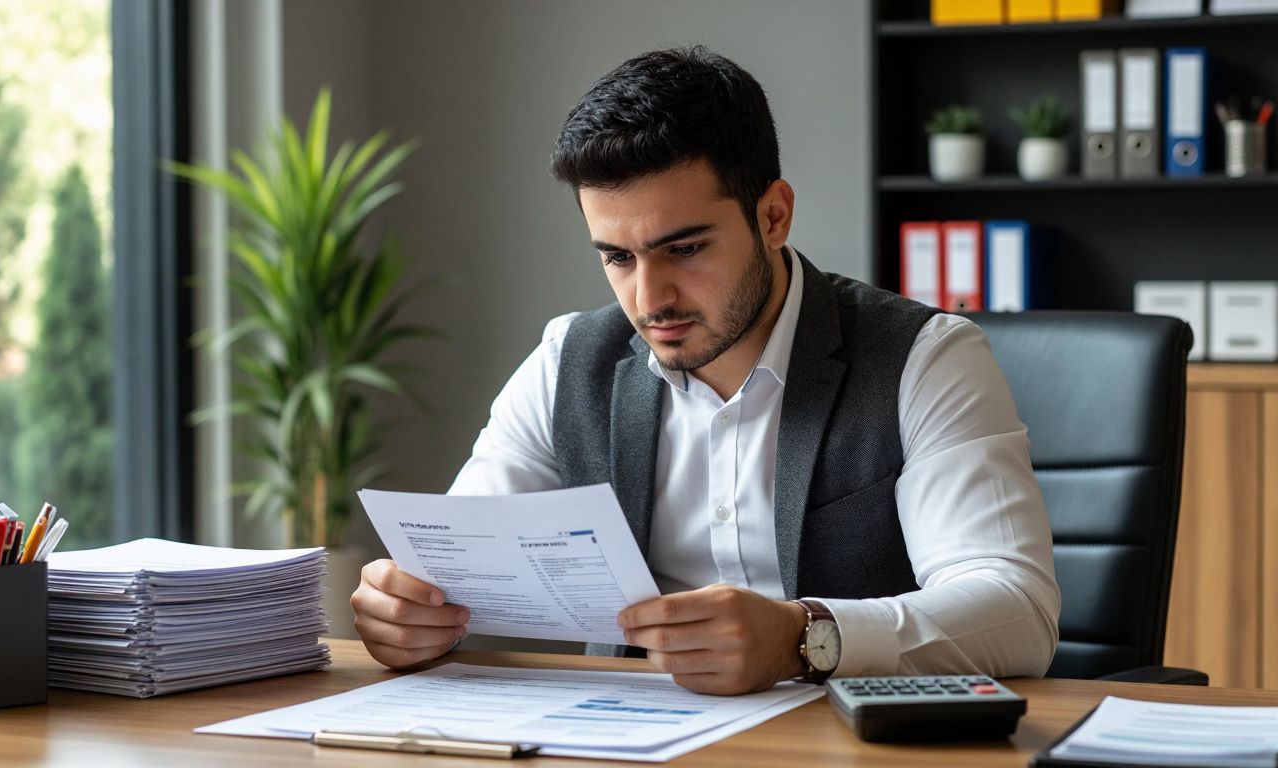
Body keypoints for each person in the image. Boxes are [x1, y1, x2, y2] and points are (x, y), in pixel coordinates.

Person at [350, 46, 1060, 696]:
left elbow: (1015, 609)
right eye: (618, 258)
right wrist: (409, 610)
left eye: (685, 249)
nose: (649, 299)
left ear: (773, 215)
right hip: (621, 737)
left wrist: (801, 638)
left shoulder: (925, 357)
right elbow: (454, 558)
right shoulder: (568, 360)